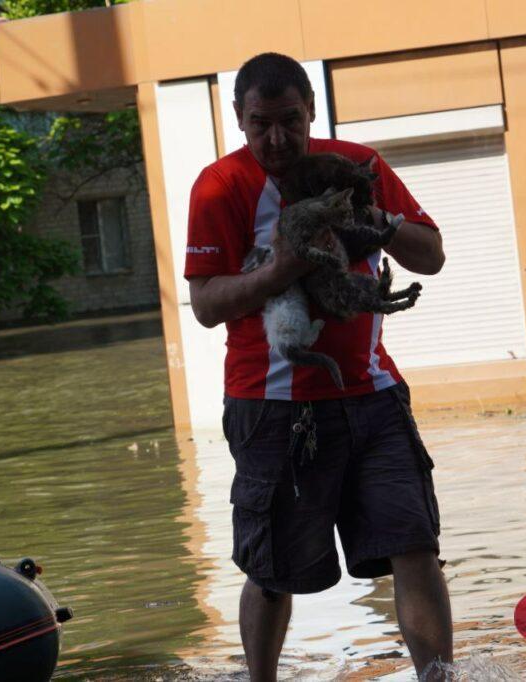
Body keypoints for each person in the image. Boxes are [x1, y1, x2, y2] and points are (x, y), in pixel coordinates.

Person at [185, 52, 452, 680]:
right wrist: (279, 270)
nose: (277, 140)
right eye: (260, 125)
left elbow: (432, 255)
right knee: (272, 571)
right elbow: (204, 305)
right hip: (272, 406)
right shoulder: (219, 185)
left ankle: (440, 677)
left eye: (290, 122)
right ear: (238, 118)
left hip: (375, 394)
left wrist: (379, 222)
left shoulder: (355, 165)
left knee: (416, 546)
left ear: (311, 109)